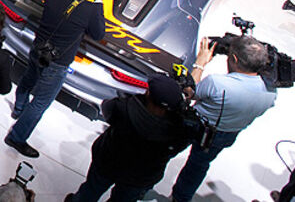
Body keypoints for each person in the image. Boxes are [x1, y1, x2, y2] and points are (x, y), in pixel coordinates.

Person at [5, 0, 105, 158]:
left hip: (38, 47)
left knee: (29, 78)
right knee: (41, 101)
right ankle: (17, 137)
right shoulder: (91, 9)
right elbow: (98, 33)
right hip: (57, 61)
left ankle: (18, 109)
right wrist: (98, 4)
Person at [170, 36, 276, 202]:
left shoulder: (217, 83)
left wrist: (200, 63)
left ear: (233, 59)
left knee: (166, 149)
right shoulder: (271, 93)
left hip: (195, 125)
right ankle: (181, 198)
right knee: (198, 166)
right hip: (227, 134)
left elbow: (189, 93)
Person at [65, 74, 192, 202]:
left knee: (90, 191)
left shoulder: (125, 107)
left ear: (148, 94)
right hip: (140, 178)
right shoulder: (177, 130)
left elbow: (106, 108)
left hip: (108, 163)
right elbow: (177, 148)